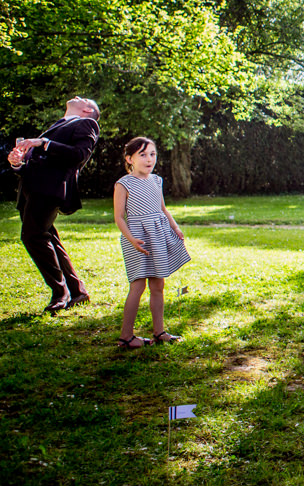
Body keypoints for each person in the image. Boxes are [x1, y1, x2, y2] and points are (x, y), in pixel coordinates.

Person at [7, 96, 101, 314]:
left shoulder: (87, 124)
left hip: (50, 189)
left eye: (83, 98)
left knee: (33, 236)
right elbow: (38, 161)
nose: (77, 96)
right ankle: (77, 291)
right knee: (49, 238)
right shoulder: (59, 125)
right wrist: (18, 163)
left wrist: (44, 143)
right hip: (31, 190)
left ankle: (61, 293)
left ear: (87, 110)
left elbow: (79, 155)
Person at [113, 137, 190, 348]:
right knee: (137, 286)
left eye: (152, 154)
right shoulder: (123, 184)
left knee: (158, 285)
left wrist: (175, 227)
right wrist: (131, 239)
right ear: (129, 159)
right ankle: (126, 336)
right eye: (143, 155)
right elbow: (119, 217)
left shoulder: (157, 181)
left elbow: (163, 209)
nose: (149, 159)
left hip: (158, 235)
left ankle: (159, 332)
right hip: (137, 238)